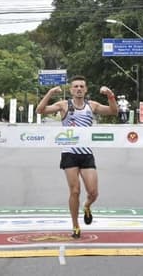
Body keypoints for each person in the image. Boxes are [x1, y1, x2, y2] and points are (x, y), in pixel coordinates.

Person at [35, 75, 118, 239]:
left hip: (86, 153)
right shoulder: (63, 105)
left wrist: (110, 95)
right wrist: (50, 93)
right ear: (71, 90)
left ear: (85, 89)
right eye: (76, 86)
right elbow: (40, 110)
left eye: (81, 86)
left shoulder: (91, 105)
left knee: (93, 192)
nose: (79, 89)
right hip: (69, 152)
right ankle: (75, 226)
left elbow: (113, 111)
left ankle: (87, 206)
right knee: (75, 190)